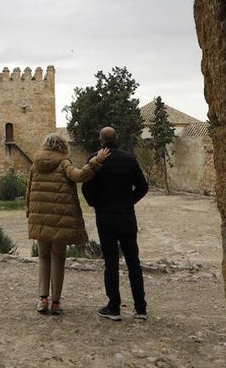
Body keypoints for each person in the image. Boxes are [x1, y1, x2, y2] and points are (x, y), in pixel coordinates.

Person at [26, 133, 110, 315]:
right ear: (63, 146)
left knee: (43, 258)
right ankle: (55, 302)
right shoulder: (64, 163)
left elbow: (29, 189)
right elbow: (79, 176)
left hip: (39, 218)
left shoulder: (35, 164)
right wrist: (97, 161)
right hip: (60, 220)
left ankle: (42, 299)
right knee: (58, 259)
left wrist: (29, 213)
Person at [81, 126, 150, 321]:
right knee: (133, 262)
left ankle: (114, 307)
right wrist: (129, 201)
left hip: (105, 217)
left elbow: (87, 187)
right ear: (117, 139)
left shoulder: (95, 159)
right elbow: (143, 187)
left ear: (100, 140)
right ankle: (140, 308)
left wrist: (96, 204)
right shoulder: (130, 159)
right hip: (126, 216)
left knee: (110, 262)